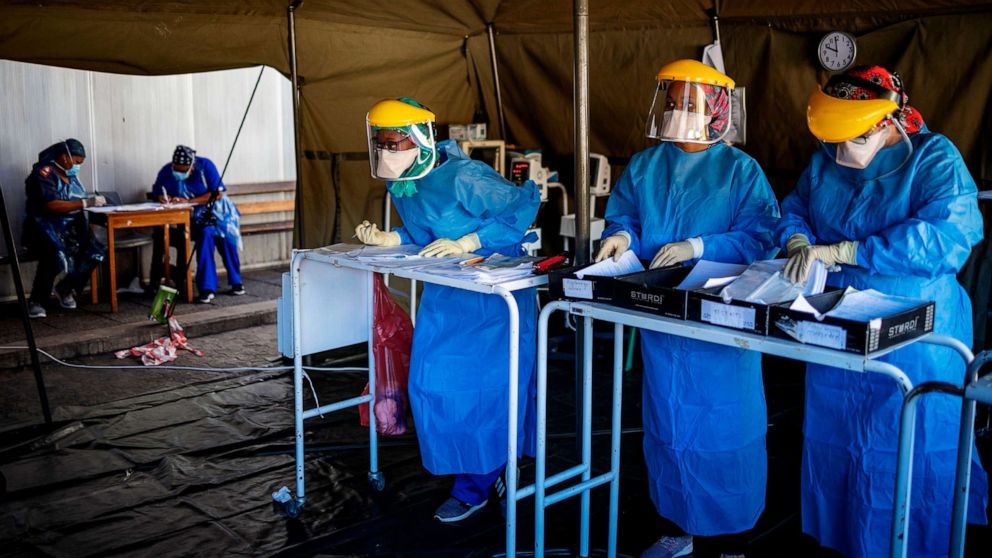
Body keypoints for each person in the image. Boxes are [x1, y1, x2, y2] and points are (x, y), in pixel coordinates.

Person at [777, 65, 989, 557]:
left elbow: (948, 239)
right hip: (839, 321)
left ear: (884, 123)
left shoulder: (935, 160)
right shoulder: (828, 158)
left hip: (917, 331)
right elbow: (798, 206)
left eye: (847, 139)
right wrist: (797, 237)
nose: (836, 153)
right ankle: (848, 543)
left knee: (911, 448)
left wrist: (849, 252)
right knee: (840, 442)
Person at [597, 60, 780, 558]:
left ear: (718, 109)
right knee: (668, 421)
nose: (678, 111)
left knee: (725, 426)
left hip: (718, 317)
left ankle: (733, 535)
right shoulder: (646, 164)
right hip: (661, 314)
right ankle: (678, 526)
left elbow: (761, 235)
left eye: (689, 103)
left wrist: (698, 246)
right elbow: (627, 213)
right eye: (672, 102)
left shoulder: (740, 170)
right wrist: (619, 235)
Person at [354, 97, 540, 523]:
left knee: (488, 393)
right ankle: (480, 469)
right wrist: (393, 239)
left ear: (420, 138)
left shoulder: (464, 175)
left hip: (494, 298)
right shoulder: (407, 181)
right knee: (428, 384)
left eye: (394, 141)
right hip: (447, 297)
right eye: (380, 142)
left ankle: (479, 481)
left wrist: (470, 243)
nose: (386, 151)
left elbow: (521, 208)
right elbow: (424, 231)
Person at [23, 139, 107, 318]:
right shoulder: (43, 174)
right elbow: (51, 205)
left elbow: (78, 202)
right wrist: (84, 202)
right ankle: (36, 301)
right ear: (64, 157)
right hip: (43, 228)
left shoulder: (71, 176)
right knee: (54, 254)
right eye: (76, 162)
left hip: (71, 228)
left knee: (95, 252)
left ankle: (65, 288)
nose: (77, 167)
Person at [151, 145, 243, 303]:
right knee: (205, 234)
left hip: (220, 214)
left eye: (183, 170)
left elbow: (218, 193)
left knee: (225, 240)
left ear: (191, 167)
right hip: (194, 219)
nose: (179, 173)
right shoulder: (167, 171)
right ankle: (207, 288)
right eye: (176, 169)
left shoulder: (205, 166)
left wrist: (189, 201)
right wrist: (162, 197)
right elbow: (156, 191)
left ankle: (236, 281)